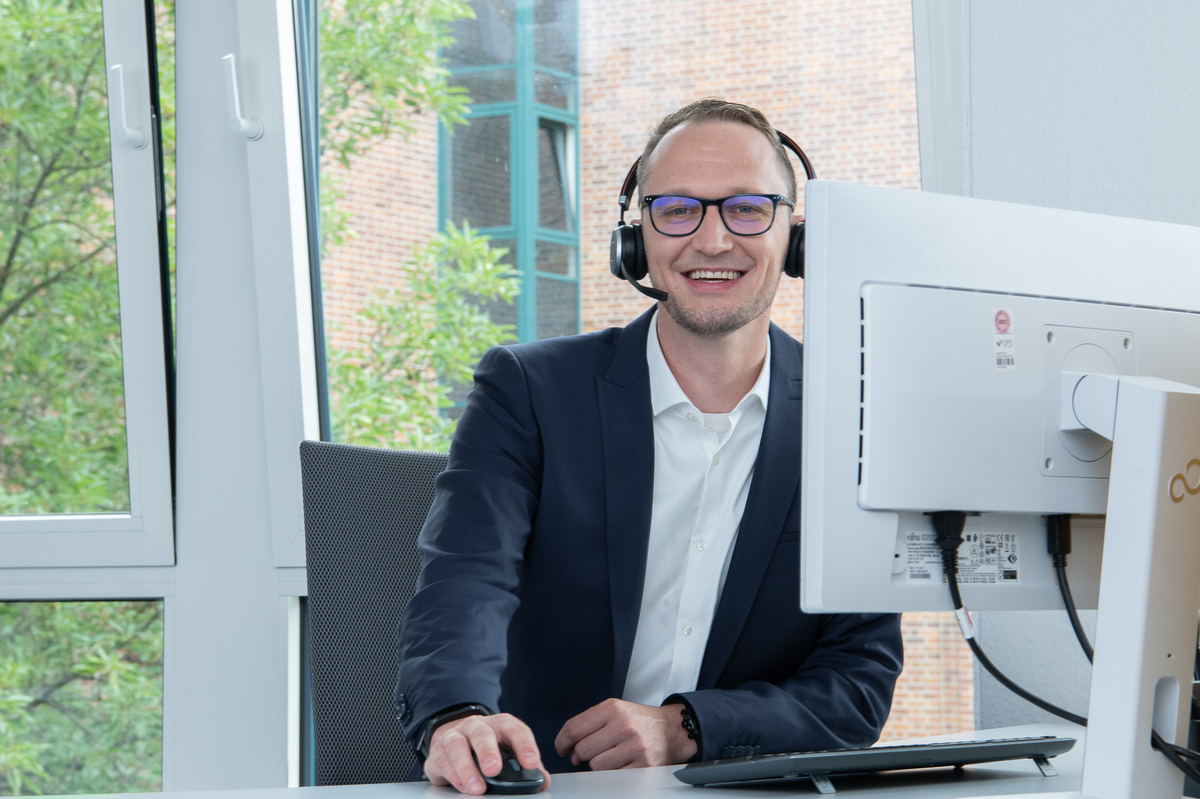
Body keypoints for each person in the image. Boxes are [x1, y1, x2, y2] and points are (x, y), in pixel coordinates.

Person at [394, 99, 903, 796]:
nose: (714, 240)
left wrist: (684, 727)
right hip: (534, 785)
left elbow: (857, 679)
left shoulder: (855, 418)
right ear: (636, 237)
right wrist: (457, 715)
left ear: (796, 236)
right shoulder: (528, 390)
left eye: (748, 208)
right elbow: (465, 582)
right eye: (677, 209)